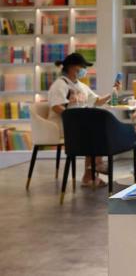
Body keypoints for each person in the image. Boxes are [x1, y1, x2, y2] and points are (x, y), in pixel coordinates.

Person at [48, 53, 120, 187]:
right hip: (63, 126)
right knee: (94, 131)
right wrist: (75, 119)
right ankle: (94, 168)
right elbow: (56, 107)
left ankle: (92, 171)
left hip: (79, 124)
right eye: (82, 67)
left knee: (99, 128)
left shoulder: (81, 86)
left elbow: (97, 101)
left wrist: (113, 92)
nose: (84, 70)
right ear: (71, 67)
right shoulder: (60, 85)